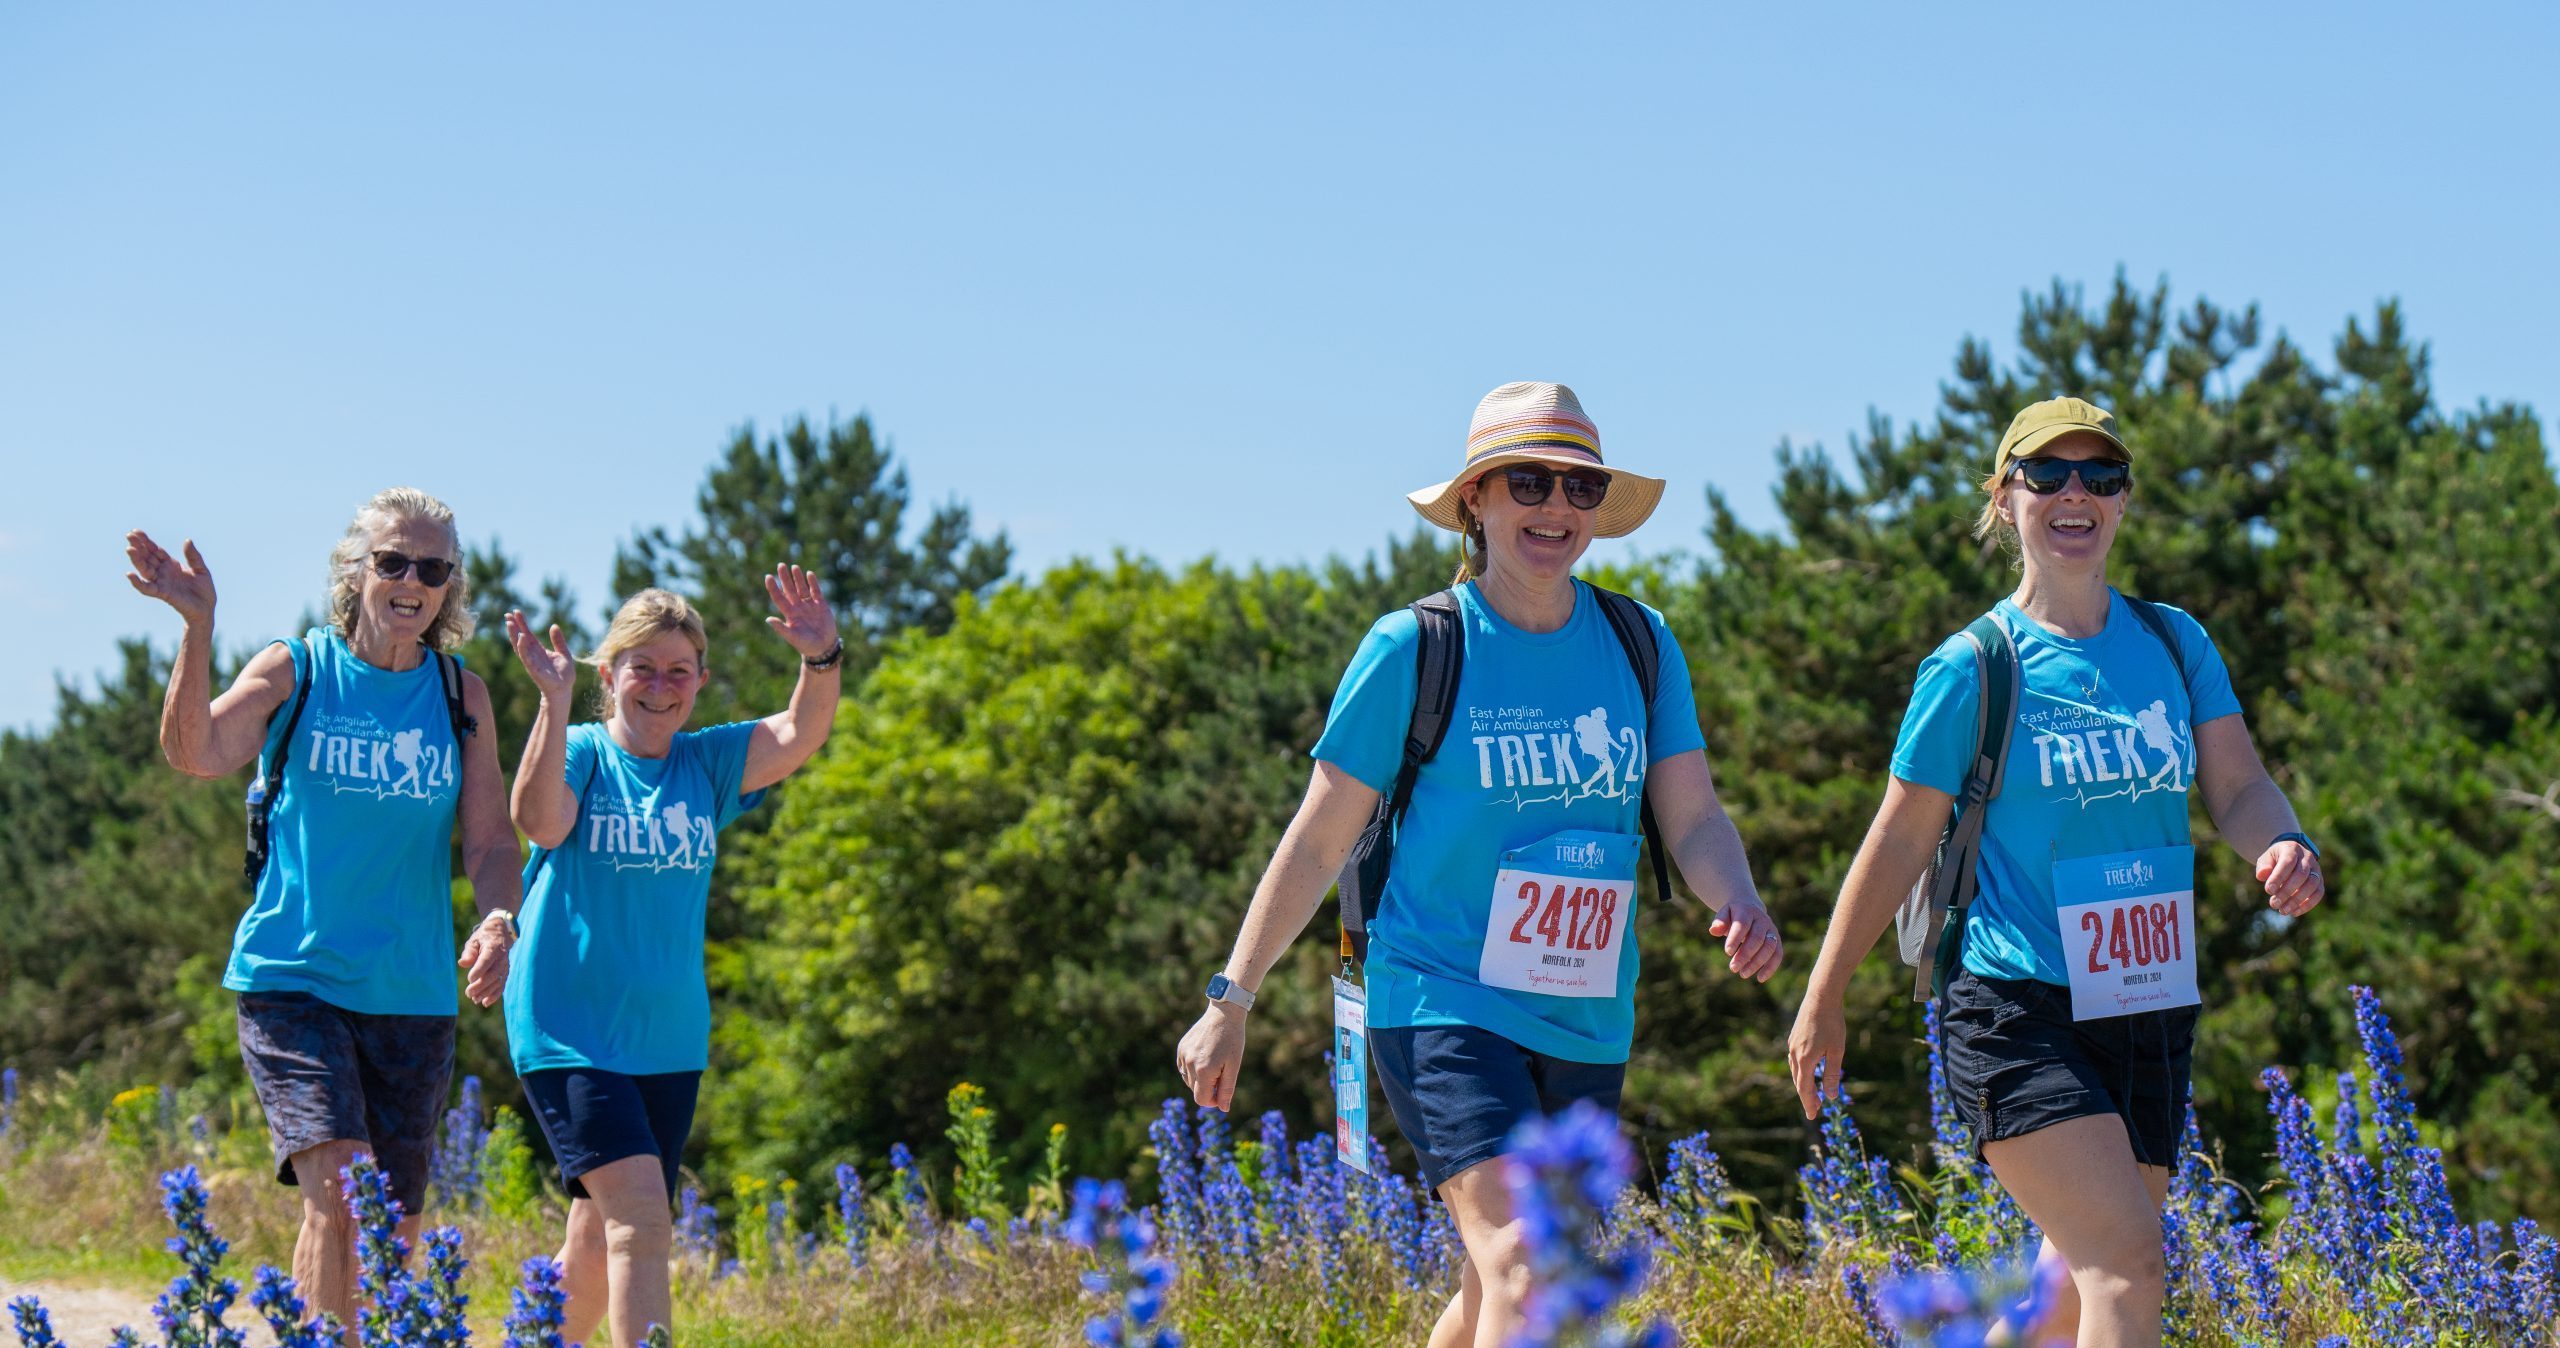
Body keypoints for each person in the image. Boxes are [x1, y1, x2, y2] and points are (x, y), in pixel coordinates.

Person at [1176, 382, 1782, 1348]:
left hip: (1587, 1011)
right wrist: (1230, 1000)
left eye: (1579, 488)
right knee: (1524, 1268)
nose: (1556, 508)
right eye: (1528, 482)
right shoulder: (1416, 647)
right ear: (1476, 501)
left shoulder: (1640, 642)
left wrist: (1739, 897)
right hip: (1442, 996)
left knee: (1495, 1284)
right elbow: (1320, 835)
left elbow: (1693, 814)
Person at [1785, 397, 2326, 1347]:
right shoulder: (1974, 667)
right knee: (2128, 1261)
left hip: (2147, 996)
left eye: (2101, 476)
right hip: (2013, 1006)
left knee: (2065, 1293)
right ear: (2004, 499)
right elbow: (1901, 838)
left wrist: (2283, 844)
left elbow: (2240, 787)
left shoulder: (2172, 643)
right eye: (2047, 474)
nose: (2076, 494)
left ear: (2123, 501)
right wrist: (1824, 994)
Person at [125, 488, 520, 1335]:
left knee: (393, 1230)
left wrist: (498, 920)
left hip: (412, 996)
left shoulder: (462, 696)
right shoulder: (295, 670)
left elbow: (489, 845)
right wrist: (198, 630)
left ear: (450, 586)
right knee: (342, 1195)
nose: (411, 581)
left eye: (433, 568)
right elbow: (194, 751)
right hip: (294, 979)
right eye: (392, 562)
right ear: (355, 570)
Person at [501, 572, 841, 1348]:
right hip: (571, 1031)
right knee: (644, 1224)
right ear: (608, 674)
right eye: (642, 668)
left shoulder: (707, 764)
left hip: (668, 1042)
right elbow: (540, 821)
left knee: (595, 1241)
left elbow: (799, 732)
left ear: (700, 681)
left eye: (678, 671)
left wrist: (821, 658)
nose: (660, 687)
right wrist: (551, 707)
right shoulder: (584, 752)